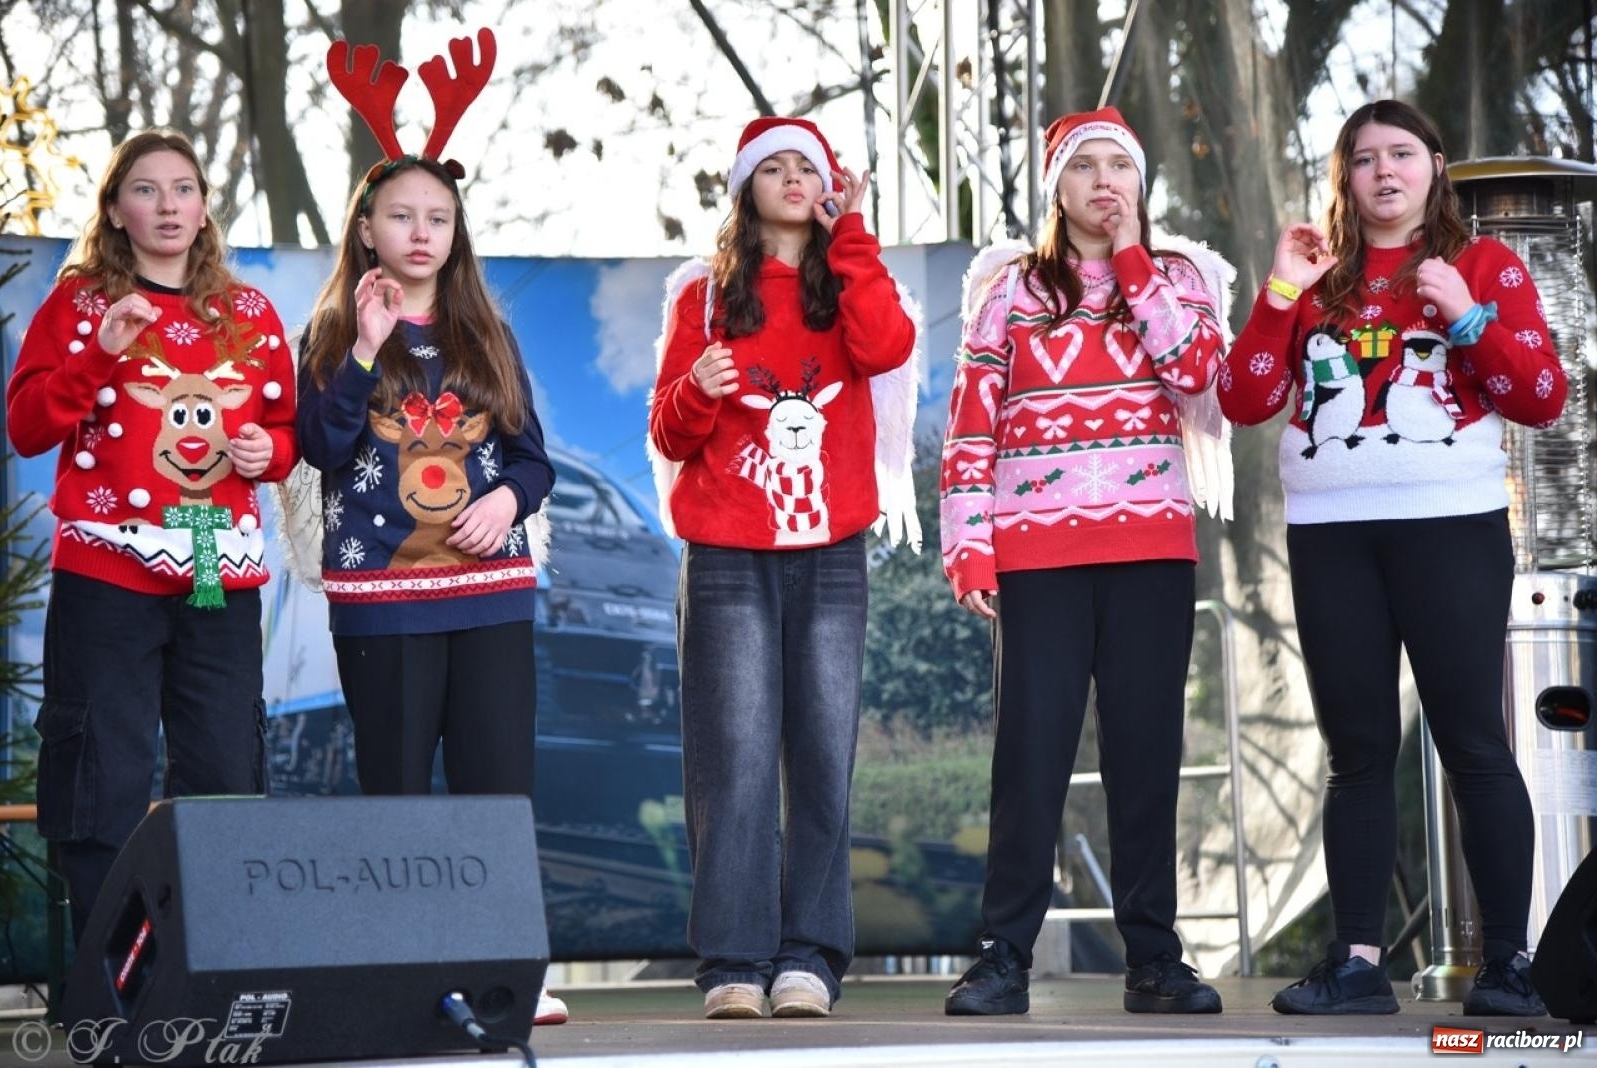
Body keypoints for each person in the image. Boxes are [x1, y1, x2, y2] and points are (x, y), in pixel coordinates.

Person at [1218, 99, 1564, 1017]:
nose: (1383, 172)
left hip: (1450, 525)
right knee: (1358, 753)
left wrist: (1467, 316)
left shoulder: (1481, 264)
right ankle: (1358, 965)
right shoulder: (1317, 276)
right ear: (1345, 178)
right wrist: (1280, 291)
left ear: (1434, 165)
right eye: (1363, 157)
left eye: (1401, 153)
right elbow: (1244, 397)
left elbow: (1540, 395)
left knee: (1474, 745)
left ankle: (1509, 965)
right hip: (1332, 533)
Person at [939, 106, 1231, 1017]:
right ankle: (1003, 957)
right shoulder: (1011, 290)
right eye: (1085, 168)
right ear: (1056, 189)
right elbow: (970, 422)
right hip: (1037, 551)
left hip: (1150, 546)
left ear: (1140, 187)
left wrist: (1136, 262)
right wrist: (968, 543)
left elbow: (1195, 372)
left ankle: (1153, 959)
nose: (1106, 182)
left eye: (1122, 168)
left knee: (1149, 754)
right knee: (1031, 755)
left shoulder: (1181, 277)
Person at [299, 29, 563, 1025]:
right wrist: (367, 348)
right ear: (367, 230)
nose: (420, 232)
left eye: (437, 217)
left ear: (456, 231)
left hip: (488, 599)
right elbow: (319, 448)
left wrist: (509, 500)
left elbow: (532, 458)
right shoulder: (331, 334)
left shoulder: (484, 335)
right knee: (398, 797)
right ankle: (411, 978)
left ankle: (507, 976)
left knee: (499, 790)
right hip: (381, 603)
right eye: (400, 216)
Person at [648, 116, 919, 1019]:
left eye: (813, 167)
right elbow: (669, 432)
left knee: (821, 752)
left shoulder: (846, 281)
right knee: (733, 757)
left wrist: (855, 232)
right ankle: (733, 959)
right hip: (727, 554)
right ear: (745, 188)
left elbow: (885, 347)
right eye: (778, 168)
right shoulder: (703, 300)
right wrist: (699, 391)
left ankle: (809, 956)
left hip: (832, 553)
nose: (797, 179)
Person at [6, 129, 296, 939]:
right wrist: (98, 354)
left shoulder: (247, 314)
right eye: (146, 189)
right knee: (104, 766)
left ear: (204, 209)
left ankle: (218, 960)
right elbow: (27, 427)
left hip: (212, 554)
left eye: (183, 189)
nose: (167, 205)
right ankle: (114, 976)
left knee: (223, 765)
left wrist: (265, 450)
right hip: (107, 561)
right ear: (114, 209)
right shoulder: (78, 305)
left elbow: (284, 430)